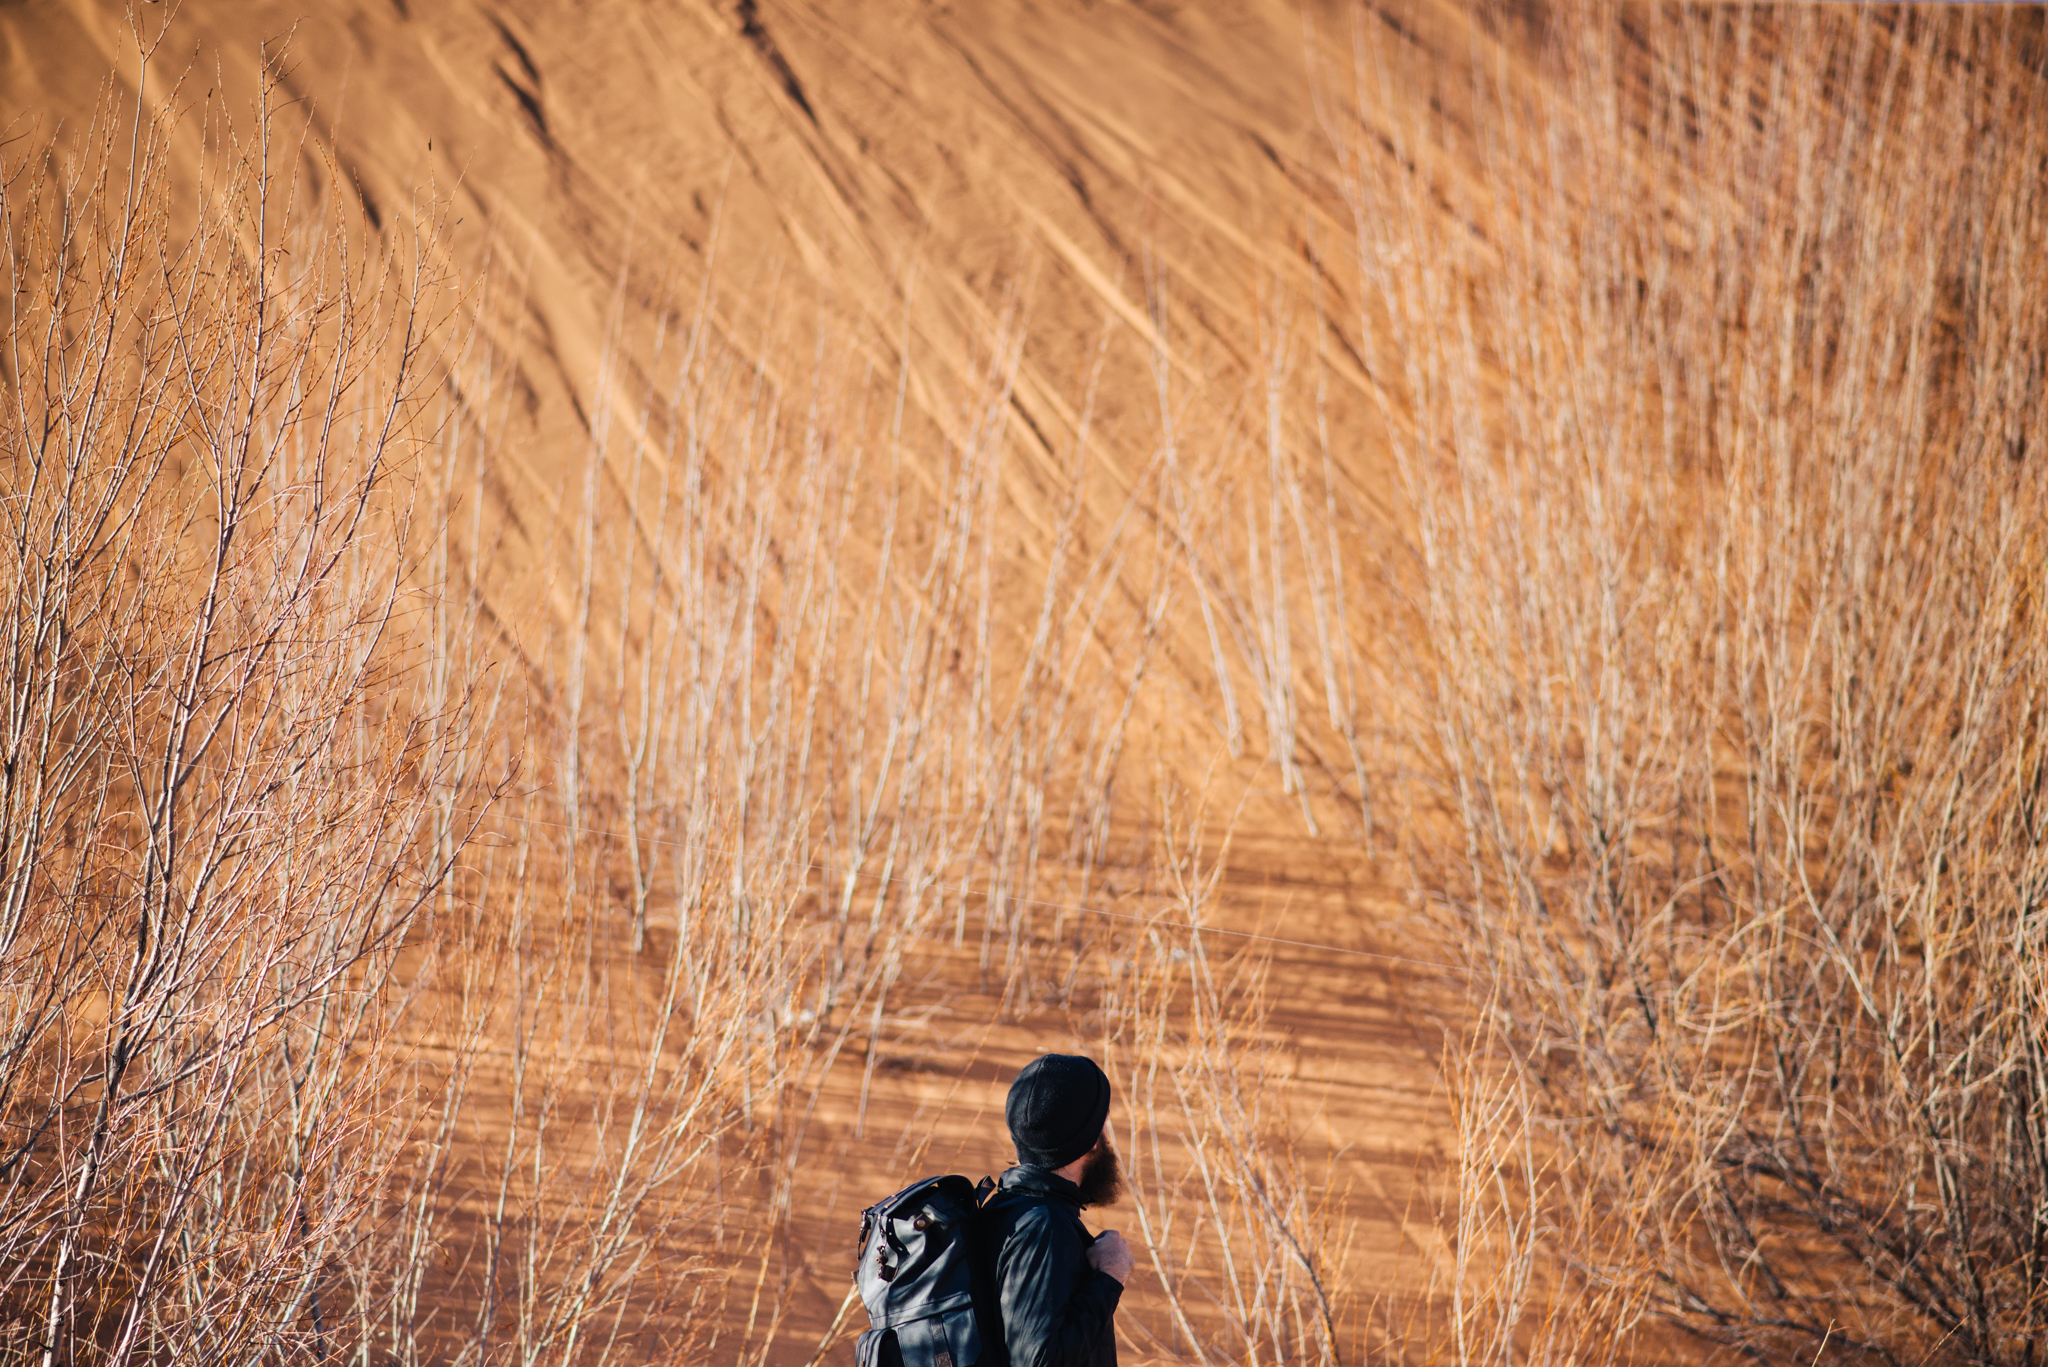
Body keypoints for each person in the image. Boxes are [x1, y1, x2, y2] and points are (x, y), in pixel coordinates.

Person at [981, 1054, 1134, 1367]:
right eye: (1103, 1121)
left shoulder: (1008, 1211)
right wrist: (1109, 1277)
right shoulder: (1043, 1228)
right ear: (1091, 1141)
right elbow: (1038, 1361)